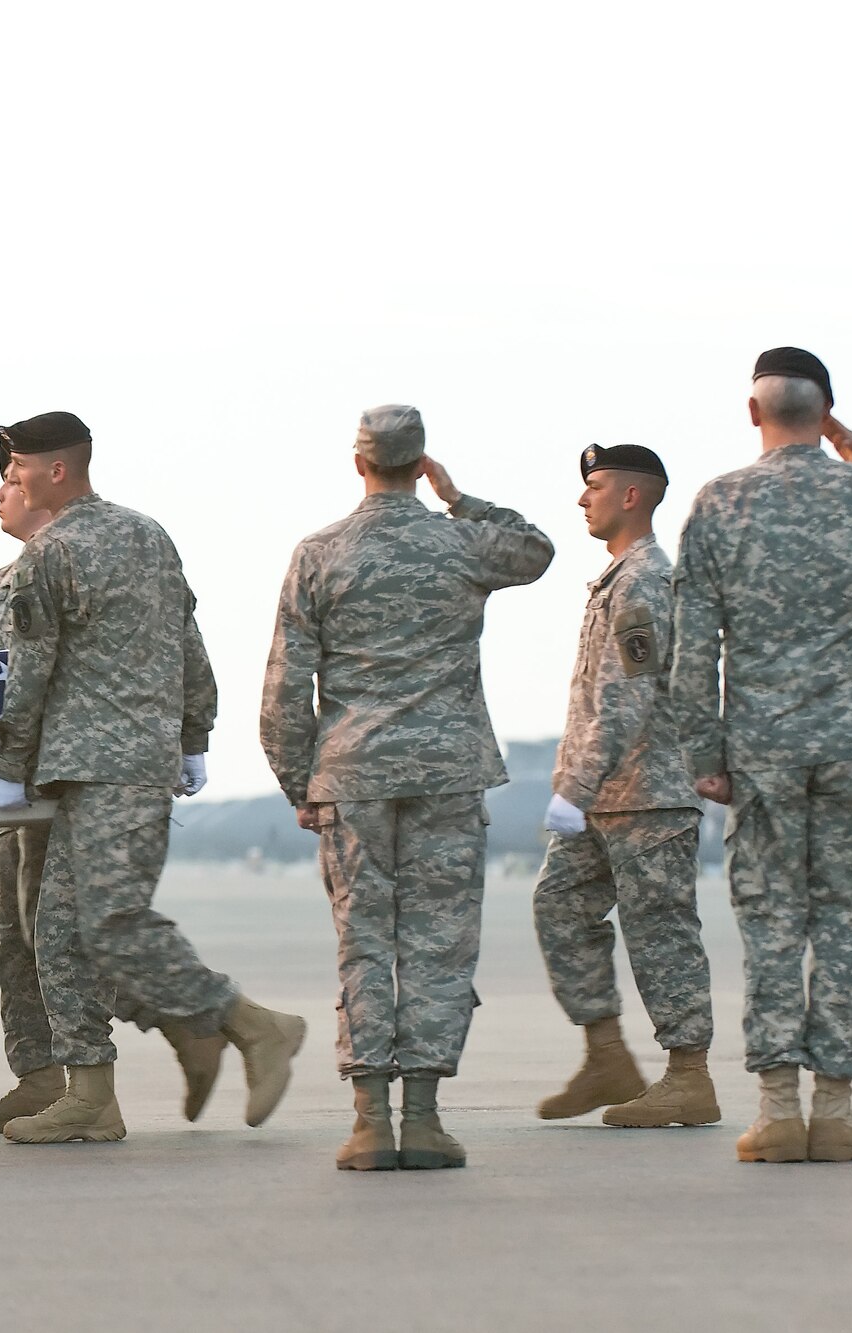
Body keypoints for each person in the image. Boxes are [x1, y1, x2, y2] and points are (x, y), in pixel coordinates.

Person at [671, 348, 852, 1164]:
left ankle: (776, 1109)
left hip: (761, 747)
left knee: (770, 921)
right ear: (827, 412)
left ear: (753, 411)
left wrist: (703, 754)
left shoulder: (721, 502)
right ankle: (835, 1109)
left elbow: (692, 647)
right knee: (847, 920)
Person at [0, 410, 307, 1146]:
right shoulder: (148, 534)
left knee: (113, 922)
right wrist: (194, 731)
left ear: (58, 470)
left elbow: (28, 673)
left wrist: (8, 766)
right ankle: (91, 1094)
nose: (15, 479)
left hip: (101, 763)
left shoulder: (51, 552)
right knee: (60, 933)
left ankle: (255, 1025)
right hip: (122, 760)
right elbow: (186, 635)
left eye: (22, 467)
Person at [260, 405, 553, 1170]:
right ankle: (421, 1118)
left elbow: (286, 689)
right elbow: (537, 549)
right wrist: (459, 499)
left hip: (352, 774)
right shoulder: (461, 541)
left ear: (359, 463)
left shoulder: (319, 553)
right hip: (447, 774)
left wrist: (303, 781)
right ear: (420, 462)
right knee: (438, 944)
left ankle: (367, 1122)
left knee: (365, 942)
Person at [0, 446, 227, 1134]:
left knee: (77, 929)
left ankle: (182, 1028)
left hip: (71, 768)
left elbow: (176, 640)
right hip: (25, 779)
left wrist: (194, 731)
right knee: (18, 932)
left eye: (9, 480)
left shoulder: (106, 553)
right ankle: (41, 1072)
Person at [533, 445, 718, 1129]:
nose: (585, 498)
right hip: (610, 794)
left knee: (661, 931)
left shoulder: (643, 582)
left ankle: (689, 1075)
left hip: (647, 795)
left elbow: (625, 699)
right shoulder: (615, 580)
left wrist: (573, 787)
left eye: (596, 486)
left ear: (632, 497)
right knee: (559, 906)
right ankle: (606, 1053)